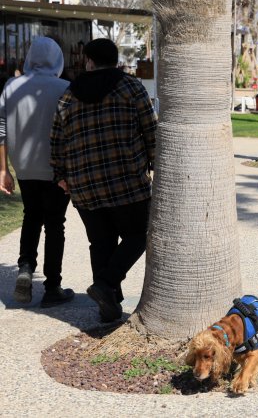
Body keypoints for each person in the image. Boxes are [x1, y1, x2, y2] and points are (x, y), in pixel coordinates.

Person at [50, 38, 157, 322]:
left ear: (89, 61)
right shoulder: (131, 87)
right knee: (138, 235)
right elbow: (150, 130)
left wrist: (60, 174)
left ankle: (107, 307)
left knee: (100, 243)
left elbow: (57, 140)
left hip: (84, 185)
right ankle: (107, 285)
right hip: (127, 183)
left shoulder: (69, 95)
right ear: (115, 60)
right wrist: (156, 162)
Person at [0, 37, 74, 307]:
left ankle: (25, 269)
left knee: (31, 216)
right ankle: (52, 286)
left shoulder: (11, 86)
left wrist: (2, 170)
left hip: (24, 167)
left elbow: (1, 131)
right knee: (55, 224)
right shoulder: (66, 87)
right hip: (58, 169)